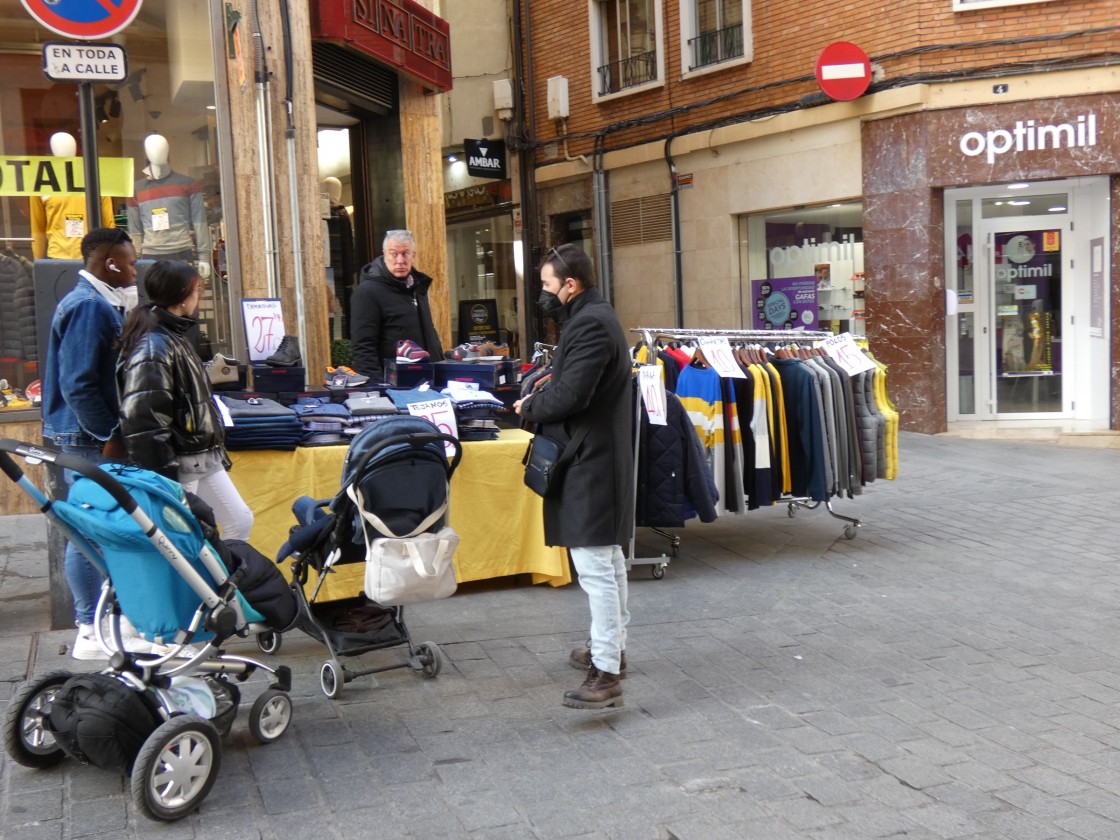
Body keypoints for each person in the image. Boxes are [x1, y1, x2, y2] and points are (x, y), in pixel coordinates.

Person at [513, 243, 635, 710]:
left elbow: (571, 395)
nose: (544, 294)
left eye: (546, 285)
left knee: (596, 566)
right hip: (598, 454)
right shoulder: (595, 317)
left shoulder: (589, 324)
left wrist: (530, 406)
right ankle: (611, 650)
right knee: (606, 561)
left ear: (570, 284)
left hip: (592, 459)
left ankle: (605, 672)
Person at [41, 227, 139, 659]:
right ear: (110, 263)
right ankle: (86, 627)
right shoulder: (89, 308)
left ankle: (100, 619)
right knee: (86, 534)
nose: (136, 270)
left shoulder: (94, 303)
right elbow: (78, 383)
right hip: (83, 437)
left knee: (90, 531)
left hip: (79, 434)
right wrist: (110, 436)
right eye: (131, 262)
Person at [116, 261, 253, 543]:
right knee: (184, 538)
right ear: (181, 294)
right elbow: (144, 422)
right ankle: (194, 586)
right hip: (181, 461)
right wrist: (165, 479)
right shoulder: (156, 344)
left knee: (238, 521)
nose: (200, 296)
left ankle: (215, 586)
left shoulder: (172, 336)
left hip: (201, 455)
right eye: (198, 289)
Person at [350, 229, 444, 380]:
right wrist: (379, 388)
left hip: (426, 379)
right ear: (385, 255)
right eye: (394, 254)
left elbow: (428, 331)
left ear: (413, 256)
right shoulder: (367, 292)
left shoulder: (417, 287)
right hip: (393, 383)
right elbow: (363, 347)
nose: (400, 260)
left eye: (405, 253)